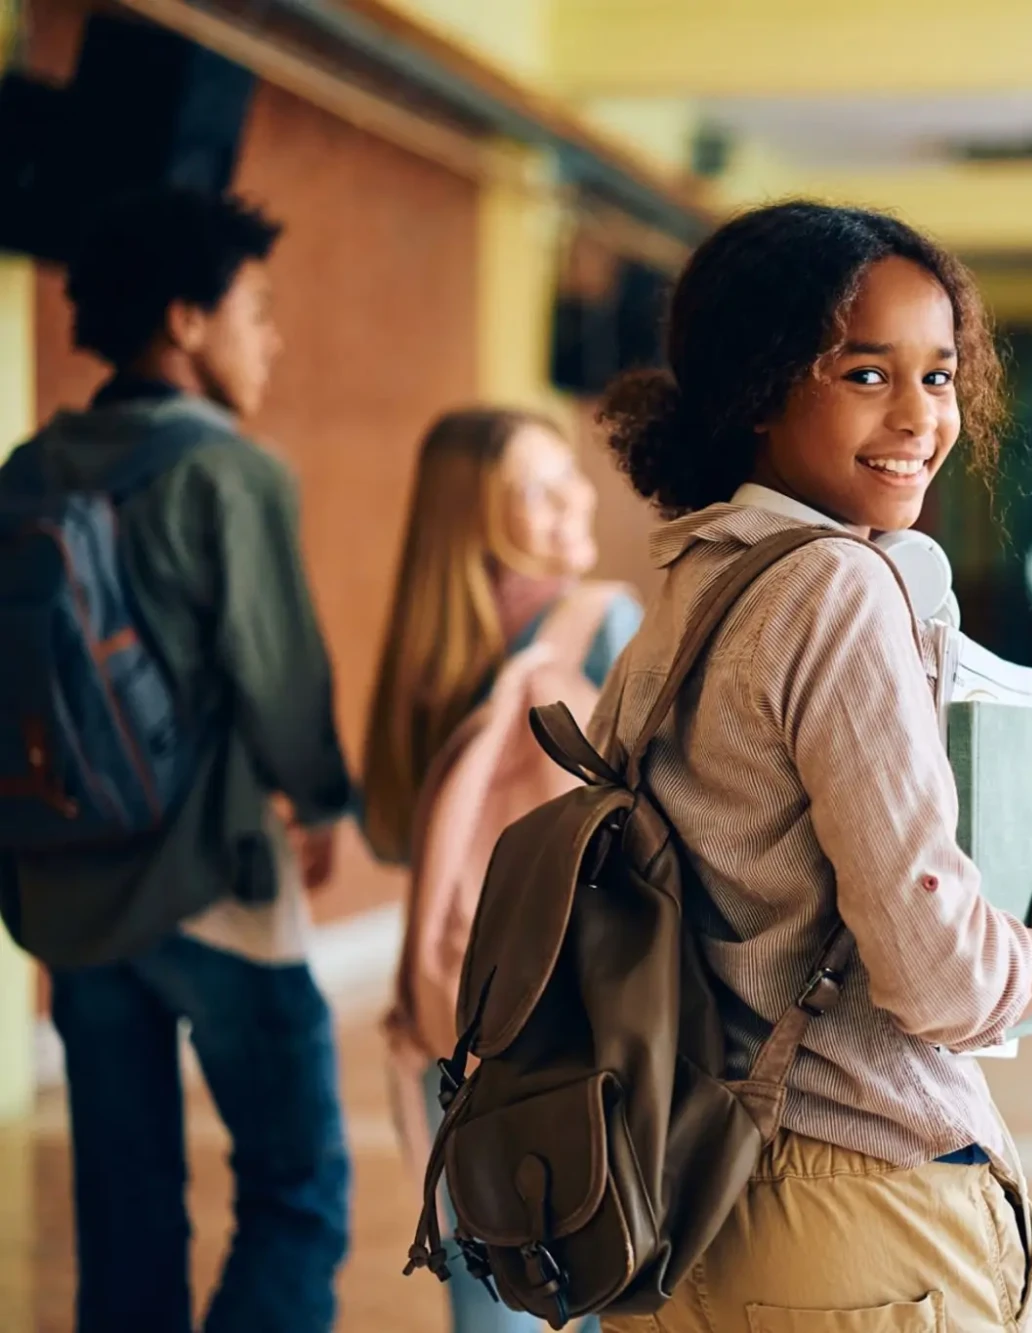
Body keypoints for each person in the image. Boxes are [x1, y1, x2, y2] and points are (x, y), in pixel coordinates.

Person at [587, 200, 1032, 1333]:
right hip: (854, 1215)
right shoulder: (837, 589)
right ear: (761, 387)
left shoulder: (692, 585)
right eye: (866, 374)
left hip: (681, 1194)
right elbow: (942, 984)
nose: (919, 417)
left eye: (940, 376)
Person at [0, 190, 352, 1331]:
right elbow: (279, 677)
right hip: (215, 879)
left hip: (66, 880)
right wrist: (327, 801)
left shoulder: (32, 467)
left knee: (125, 1202)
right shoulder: (231, 472)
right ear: (185, 321)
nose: (271, 337)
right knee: (297, 1195)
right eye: (255, 309)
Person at [361, 407, 641, 1333]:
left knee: (492, 1301)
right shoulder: (601, 624)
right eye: (536, 485)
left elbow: (397, 834)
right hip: (569, 1025)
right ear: (471, 513)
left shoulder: (425, 661)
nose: (572, 499)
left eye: (568, 475)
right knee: (594, 1280)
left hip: (452, 1023)